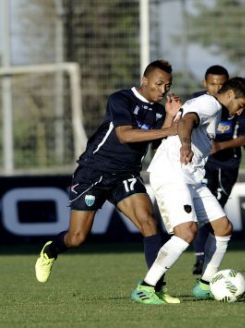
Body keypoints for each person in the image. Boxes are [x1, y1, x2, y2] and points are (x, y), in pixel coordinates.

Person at [34, 60, 183, 303]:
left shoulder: (158, 110)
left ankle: (153, 288)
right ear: (144, 80)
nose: (163, 90)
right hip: (94, 171)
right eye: (158, 84)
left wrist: (168, 117)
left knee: (149, 224)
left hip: (126, 174)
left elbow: (157, 143)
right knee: (77, 238)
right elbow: (124, 135)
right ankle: (51, 250)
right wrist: (169, 130)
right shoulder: (121, 99)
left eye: (168, 85)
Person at [130, 77, 245, 304]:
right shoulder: (210, 104)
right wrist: (186, 145)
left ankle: (206, 284)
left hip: (191, 177)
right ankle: (146, 288)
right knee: (186, 232)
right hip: (172, 174)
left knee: (223, 227)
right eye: (241, 106)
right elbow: (187, 121)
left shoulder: (215, 109)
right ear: (229, 96)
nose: (240, 112)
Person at [189, 65, 245, 276]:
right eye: (212, 84)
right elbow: (184, 122)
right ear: (205, 84)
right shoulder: (199, 102)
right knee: (204, 216)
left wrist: (221, 146)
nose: (216, 87)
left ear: (227, 87)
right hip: (199, 166)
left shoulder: (239, 107)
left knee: (215, 213)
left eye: (220, 84)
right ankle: (201, 260)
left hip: (225, 166)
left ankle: (205, 263)